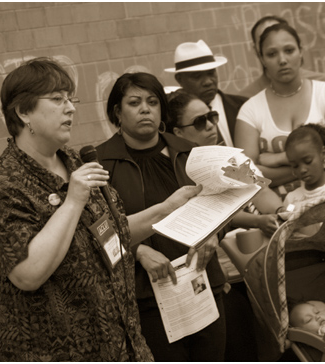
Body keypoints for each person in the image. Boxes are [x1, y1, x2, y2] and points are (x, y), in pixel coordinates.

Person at [0, 58, 201, 362]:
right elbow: (27, 274)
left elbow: (112, 235)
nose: (70, 108)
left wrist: (168, 208)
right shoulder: (3, 185)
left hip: (122, 345)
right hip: (59, 353)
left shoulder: (75, 161)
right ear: (23, 111)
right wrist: (72, 201)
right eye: (57, 99)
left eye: (71, 98)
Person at [96, 72, 227, 362]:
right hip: (147, 294)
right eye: (134, 102)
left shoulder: (189, 152)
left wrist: (213, 234)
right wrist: (137, 250)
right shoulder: (102, 164)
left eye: (153, 102)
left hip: (201, 280)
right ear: (117, 112)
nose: (145, 109)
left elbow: (220, 203)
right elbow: (97, 229)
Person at [166, 89, 286, 361]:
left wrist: (280, 211)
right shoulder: (176, 168)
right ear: (178, 133)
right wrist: (256, 219)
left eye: (212, 116)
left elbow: (259, 189)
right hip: (209, 278)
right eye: (200, 122)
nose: (210, 125)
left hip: (248, 267)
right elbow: (214, 211)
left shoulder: (227, 155)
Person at [234, 23, 325, 200]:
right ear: (262, 60)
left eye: (289, 50)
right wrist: (310, 165)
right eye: (272, 54)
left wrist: (280, 158)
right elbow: (245, 175)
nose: (282, 60)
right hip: (278, 206)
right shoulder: (250, 110)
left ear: (301, 52)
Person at [165, 39, 248, 147]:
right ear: (179, 79)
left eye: (211, 73)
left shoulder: (244, 106)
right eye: (197, 76)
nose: (208, 82)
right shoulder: (169, 120)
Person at [238, 15, 325, 98]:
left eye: (288, 50)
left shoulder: (322, 84)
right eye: (263, 40)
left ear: (299, 49)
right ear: (256, 50)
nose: (282, 59)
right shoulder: (245, 98)